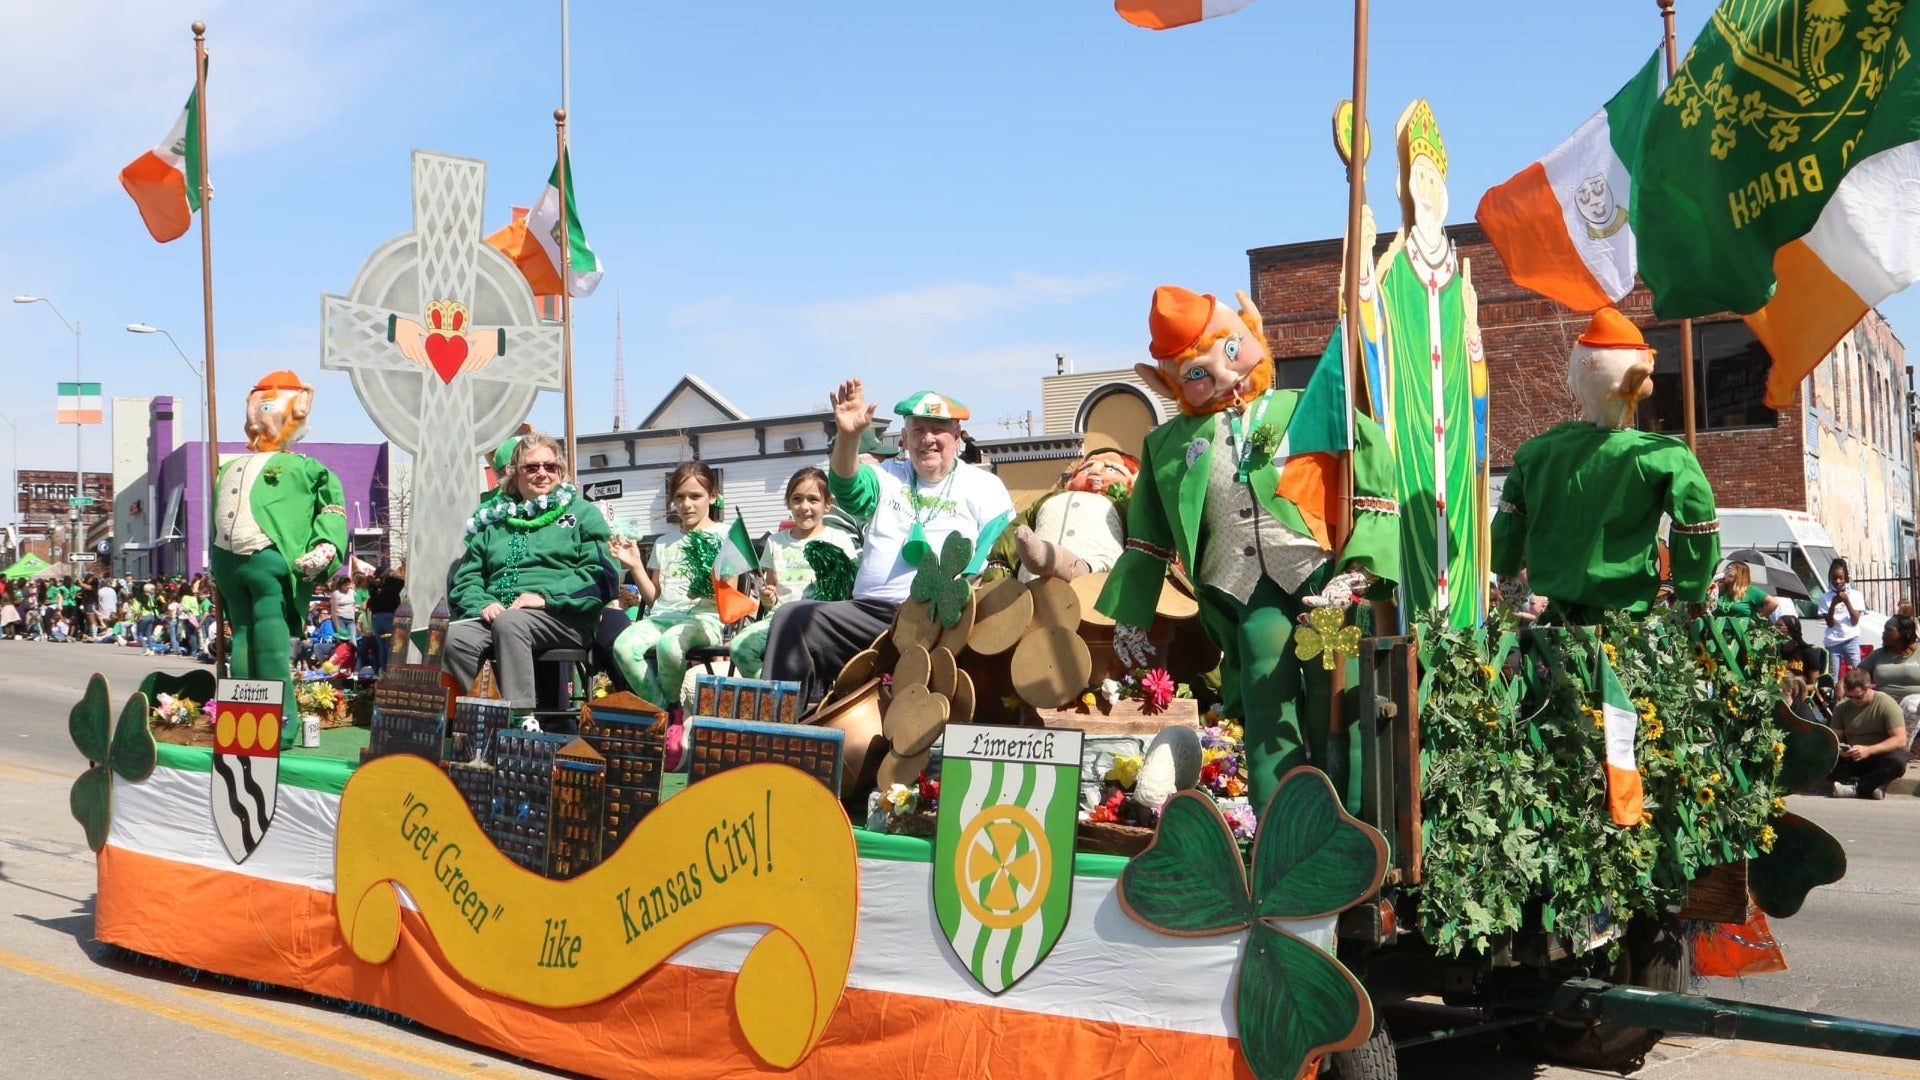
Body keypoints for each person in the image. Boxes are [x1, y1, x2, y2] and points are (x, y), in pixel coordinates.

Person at [1098, 286, 1399, 814]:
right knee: (1267, 708)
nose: (1223, 376)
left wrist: (1355, 572)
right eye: (1196, 373)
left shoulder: (1306, 407)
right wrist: (1132, 615)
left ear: (1250, 337)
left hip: (1317, 582)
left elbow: (1374, 482)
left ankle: (1355, 825)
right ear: (1169, 381)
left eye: (1230, 352)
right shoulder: (1166, 446)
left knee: (1342, 704)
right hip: (1245, 593)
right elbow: (1147, 536)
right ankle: (1281, 832)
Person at [766, 381, 1015, 704]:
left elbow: (995, 549)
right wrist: (849, 437)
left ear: (957, 434)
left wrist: (959, 597)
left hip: (947, 617)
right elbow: (846, 487)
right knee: (793, 619)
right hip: (875, 614)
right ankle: (773, 735)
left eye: (938, 429)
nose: (928, 439)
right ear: (905, 436)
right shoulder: (887, 476)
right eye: (918, 429)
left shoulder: (985, 486)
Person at [209, 370, 349, 720]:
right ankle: (241, 715)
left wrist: (326, 547)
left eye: (267, 404)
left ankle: (275, 719)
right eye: (256, 404)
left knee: (269, 633)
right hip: (228, 560)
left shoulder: (306, 468)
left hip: (269, 556)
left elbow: (331, 509)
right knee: (241, 635)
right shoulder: (228, 467)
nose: (258, 413)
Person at [443, 433, 615, 716]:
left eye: (550, 467)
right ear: (514, 474)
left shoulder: (583, 514)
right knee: (452, 636)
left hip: (564, 616)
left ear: (561, 472)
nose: (542, 473)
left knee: (511, 623)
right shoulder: (495, 521)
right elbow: (466, 578)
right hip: (501, 616)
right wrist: (481, 604)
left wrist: (546, 598)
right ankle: (493, 715)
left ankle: (522, 722)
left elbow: (603, 576)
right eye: (531, 467)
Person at [608, 462, 738, 709]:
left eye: (695, 496)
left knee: (670, 646)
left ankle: (675, 710)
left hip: (703, 620)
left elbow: (730, 598)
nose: (687, 504)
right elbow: (655, 599)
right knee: (623, 647)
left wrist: (708, 584)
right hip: (661, 618)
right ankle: (664, 711)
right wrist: (635, 565)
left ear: (712, 496)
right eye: (679, 497)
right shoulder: (664, 542)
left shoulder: (726, 535)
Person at [731, 467, 860, 679]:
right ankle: (777, 693)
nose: (804, 507)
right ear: (789, 503)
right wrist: (767, 597)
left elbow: (849, 591)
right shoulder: (775, 542)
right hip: (779, 619)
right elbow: (770, 599)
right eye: (797, 499)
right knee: (739, 648)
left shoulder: (839, 540)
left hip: (820, 621)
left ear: (828, 504)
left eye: (813, 499)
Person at [1826, 668, 1909, 799]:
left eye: (1859, 696)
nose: (1854, 700)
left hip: (1880, 755)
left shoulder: (1886, 703)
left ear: (1870, 687)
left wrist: (1869, 750)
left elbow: (1900, 740)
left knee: (1897, 763)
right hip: (1852, 756)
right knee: (1822, 760)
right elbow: (1835, 737)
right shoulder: (1842, 707)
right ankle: (1873, 785)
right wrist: (1839, 749)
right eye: (1850, 696)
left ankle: (1856, 788)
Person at [1860, 613, 1920, 748]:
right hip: (1885, 703)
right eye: (1884, 629)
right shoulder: (1879, 654)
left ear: (1904, 633)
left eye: (1889, 630)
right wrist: (1841, 684)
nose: (1883, 633)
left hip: (1916, 704)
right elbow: (1859, 673)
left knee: (1910, 705)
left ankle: (1902, 748)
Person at [1816, 558, 1865, 677]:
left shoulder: (1856, 595)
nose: (1837, 581)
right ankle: (1834, 695)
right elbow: (1830, 624)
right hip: (1833, 642)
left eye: (1841, 578)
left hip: (1851, 639)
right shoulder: (1824, 598)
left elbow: (1854, 621)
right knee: (1833, 676)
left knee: (1857, 673)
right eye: (1834, 578)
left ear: (1846, 578)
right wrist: (1833, 604)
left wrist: (1847, 602)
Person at [367, 564, 406, 672]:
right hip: (388, 618)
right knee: (390, 646)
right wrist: (392, 576)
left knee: (382, 648)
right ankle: (391, 670)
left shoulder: (375, 589)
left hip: (376, 619)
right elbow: (401, 583)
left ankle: (383, 670)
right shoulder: (393, 586)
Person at [1714, 561, 1782, 620]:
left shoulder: (1751, 591)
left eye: (1729, 570)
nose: (1725, 573)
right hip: (1717, 631)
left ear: (1740, 574)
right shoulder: (1720, 590)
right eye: (1725, 570)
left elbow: (1773, 603)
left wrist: (1757, 619)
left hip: (1740, 632)